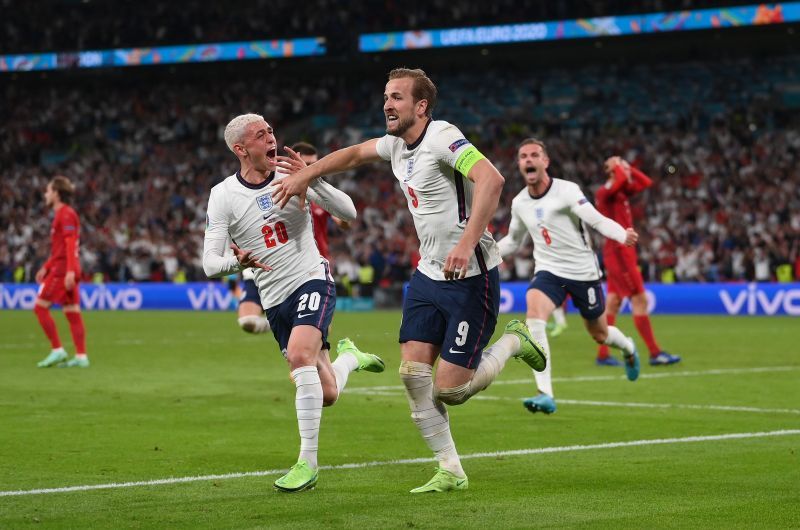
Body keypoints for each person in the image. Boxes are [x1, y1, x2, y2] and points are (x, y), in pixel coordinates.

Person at [272, 68, 547, 493]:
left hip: (471, 276)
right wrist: (308, 174)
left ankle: (514, 341)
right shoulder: (397, 145)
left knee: (451, 390)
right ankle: (450, 468)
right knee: (412, 373)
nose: (387, 104)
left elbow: (492, 179)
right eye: (386, 96)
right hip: (429, 274)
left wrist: (466, 242)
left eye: (397, 97)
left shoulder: (442, 137)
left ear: (421, 106)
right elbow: (353, 154)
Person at [202, 113, 385, 493]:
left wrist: (312, 176)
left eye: (270, 130)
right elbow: (209, 264)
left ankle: (307, 463)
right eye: (260, 135)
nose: (271, 137)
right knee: (328, 393)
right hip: (273, 298)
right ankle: (350, 357)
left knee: (301, 356)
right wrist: (238, 262)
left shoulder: (293, 174)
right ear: (241, 149)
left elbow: (348, 213)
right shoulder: (222, 196)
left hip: (311, 278)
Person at [497, 139, 641, 416]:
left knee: (599, 334)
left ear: (545, 162)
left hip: (583, 273)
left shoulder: (566, 191)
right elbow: (513, 242)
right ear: (519, 164)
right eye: (523, 156)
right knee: (534, 317)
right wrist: (481, 254)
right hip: (549, 271)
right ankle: (545, 393)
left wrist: (622, 235)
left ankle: (628, 347)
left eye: (534, 155)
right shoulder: (520, 203)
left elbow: (596, 220)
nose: (529, 160)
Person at [235, 142, 351, 335]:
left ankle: (346, 359)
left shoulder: (319, 191)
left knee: (318, 337)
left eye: (314, 164)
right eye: (306, 163)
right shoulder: (274, 187)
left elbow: (344, 221)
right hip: (271, 265)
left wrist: (341, 216)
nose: (310, 169)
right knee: (249, 322)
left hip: (311, 268)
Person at [594, 157, 681, 366]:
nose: (622, 165)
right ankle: (655, 353)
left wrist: (627, 166)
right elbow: (623, 178)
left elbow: (645, 182)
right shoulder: (606, 192)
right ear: (609, 170)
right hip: (618, 252)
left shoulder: (620, 191)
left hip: (622, 251)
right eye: (615, 163)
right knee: (639, 300)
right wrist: (620, 166)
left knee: (613, 303)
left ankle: (603, 354)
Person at [34, 176, 90, 368]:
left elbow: (69, 243)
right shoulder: (63, 214)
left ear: (57, 194)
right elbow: (59, 248)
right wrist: (46, 266)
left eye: (48, 191)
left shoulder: (65, 214)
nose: (46, 194)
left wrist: (68, 272)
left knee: (40, 308)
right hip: (64, 267)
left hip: (63, 270)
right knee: (72, 312)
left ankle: (57, 350)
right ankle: (81, 357)